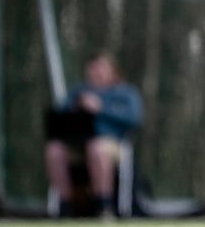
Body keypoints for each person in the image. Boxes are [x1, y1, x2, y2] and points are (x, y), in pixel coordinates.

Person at [44, 51, 143, 218]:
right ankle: (65, 207)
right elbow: (60, 115)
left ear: (112, 71)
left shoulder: (125, 93)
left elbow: (134, 119)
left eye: (100, 68)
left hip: (112, 144)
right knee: (54, 149)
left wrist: (101, 108)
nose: (96, 72)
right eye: (92, 69)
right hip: (77, 143)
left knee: (96, 148)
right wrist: (75, 108)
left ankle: (103, 205)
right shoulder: (78, 92)